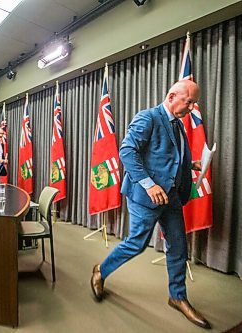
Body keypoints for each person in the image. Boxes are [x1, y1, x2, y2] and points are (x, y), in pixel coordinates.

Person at [90, 80, 211, 329]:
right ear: (171, 96)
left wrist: (191, 164)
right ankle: (101, 270)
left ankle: (177, 297)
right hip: (145, 196)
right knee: (137, 243)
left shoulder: (178, 125)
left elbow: (165, 156)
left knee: (178, 247)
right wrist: (149, 184)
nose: (191, 107)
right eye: (188, 101)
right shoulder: (148, 117)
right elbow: (127, 151)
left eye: (193, 103)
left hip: (172, 197)